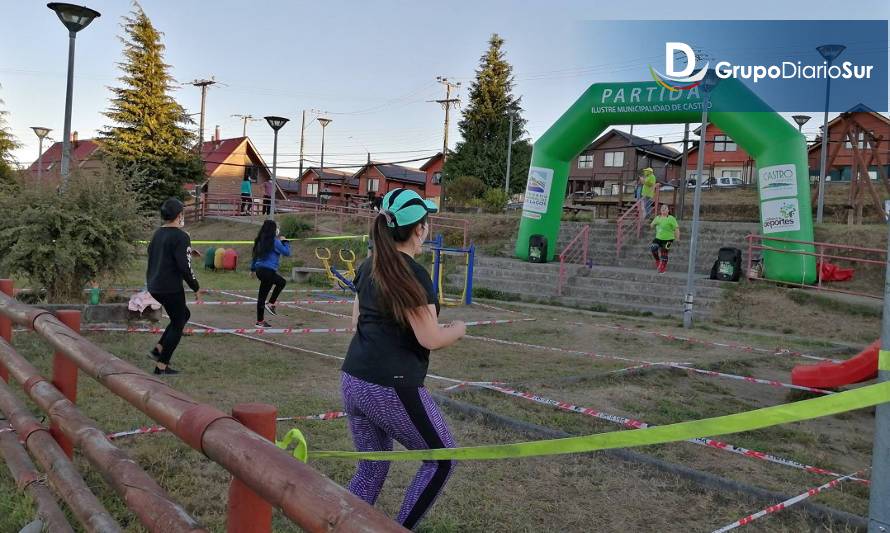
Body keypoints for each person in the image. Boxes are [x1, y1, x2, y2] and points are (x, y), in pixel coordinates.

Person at [341, 188, 465, 529]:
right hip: (391, 386)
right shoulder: (412, 274)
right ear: (420, 229)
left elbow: (355, 322)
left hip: (354, 378)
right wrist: (458, 328)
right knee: (442, 458)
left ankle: (338, 524)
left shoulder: (370, 266)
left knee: (372, 465)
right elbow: (430, 337)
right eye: (427, 222)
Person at [146, 198, 201, 375]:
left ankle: (158, 349)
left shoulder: (158, 233)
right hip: (170, 287)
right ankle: (161, 366)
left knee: (183, 314)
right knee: (178, 322)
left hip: (154, 285)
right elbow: (185, 267)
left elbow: (160, 251)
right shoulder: (181, 236)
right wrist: (196, 287)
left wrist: (188, 251)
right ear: (179, 215)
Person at [250, 220, 291, 327]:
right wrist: (286, 241)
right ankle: (271, 303)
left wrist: (252, 269)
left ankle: (260, 321)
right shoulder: (274, 241)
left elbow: (254, 256)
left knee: (262, 297)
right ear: (273, 229)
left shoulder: (259, 240)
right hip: (268, 271)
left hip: (260, 271)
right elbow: (287, 252)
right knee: (282, 282)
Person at [649, 203, 680, 274]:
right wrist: (653, 224)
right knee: (653, 248)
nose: (663, 209)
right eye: (662, 208)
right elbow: (651, 226)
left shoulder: (671, 218)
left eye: (665, 208)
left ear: (668, 210)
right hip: (658, 238)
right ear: (660, 210)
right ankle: (657, 260)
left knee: (664, 252)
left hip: (669, 239)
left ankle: (663, 267)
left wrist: (677, 238)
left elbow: (677, 229)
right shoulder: (657, 218)